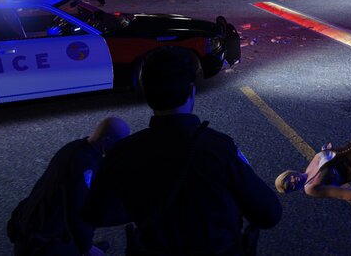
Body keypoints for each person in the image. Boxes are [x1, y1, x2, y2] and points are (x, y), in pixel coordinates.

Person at [83, 47, 281, 255]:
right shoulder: (217, 148)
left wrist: (143, 206)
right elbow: (269, 214)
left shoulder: (123, 152)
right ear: (191, 90)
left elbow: (95, 213)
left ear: (146, 90)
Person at [7, 117, 132, 256]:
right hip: (43, 242)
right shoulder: (84, 167)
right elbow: (76, 212)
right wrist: (86, 247)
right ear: (106, 140)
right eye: (119, 144)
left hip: (31, 222)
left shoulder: (76, 147)